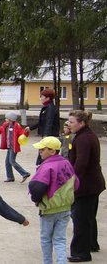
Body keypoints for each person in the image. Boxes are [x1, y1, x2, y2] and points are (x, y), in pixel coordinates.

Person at [28, 137, 79, 264]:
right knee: (60, 239)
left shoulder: (46, 167)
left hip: (49, 209)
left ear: (52, 151)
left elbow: (37, 187)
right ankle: (61, 262)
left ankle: (47, 262)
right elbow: (76, 183)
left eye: (42, 149)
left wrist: (36, 199)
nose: (40, 151)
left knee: (46, 239)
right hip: (65, 208)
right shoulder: (66, 163)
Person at [66, 110, 105, 262]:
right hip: (93, 184)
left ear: (81, 123)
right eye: (68, 121)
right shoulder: (87, 135)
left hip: (86, 185)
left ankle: (81, 252)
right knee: (88, 217)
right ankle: (91, 244)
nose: (69, 124)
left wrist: (71, 183)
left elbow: (81, 164)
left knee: (80, 219)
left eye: (72, 122)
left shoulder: (83, 139)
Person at [0, 112, 31, 183]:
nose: (5, 119)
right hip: (9, 147)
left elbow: (22, 134)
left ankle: (24, 173)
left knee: (12, 161)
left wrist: (26, 132)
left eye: (7, 118)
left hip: (14, 147)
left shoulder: (17, 126)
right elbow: (0, 129)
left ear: (11, 119)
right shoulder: (6, 125)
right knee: (7, 162)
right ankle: (10, 177)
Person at [25, 88, 60, 165]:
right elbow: (42, 122)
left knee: (44, 155)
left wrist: (46, 135)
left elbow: (49, 122)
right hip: (46, 135)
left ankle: (41, 170)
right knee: (42, 154)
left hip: (50, 136)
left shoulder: (50, 108)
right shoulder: (46, 107)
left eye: (42, 96)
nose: (41, 98)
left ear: (47, 98)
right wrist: (31, 128)